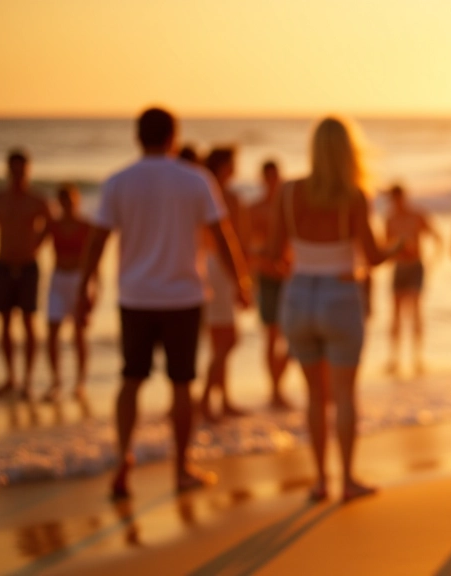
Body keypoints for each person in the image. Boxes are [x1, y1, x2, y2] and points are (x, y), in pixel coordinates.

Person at [75, 107, 251, 498]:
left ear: (137, 137)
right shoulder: (196, 180)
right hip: (183, 296)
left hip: (135, 297)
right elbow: (222, 235)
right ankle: (182, 468)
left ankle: (124, 459)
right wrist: (240, 281)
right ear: (174, 136)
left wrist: (84, 288)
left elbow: (97, 241)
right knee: (182, 385)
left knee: (130, 380)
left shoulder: (118, 181)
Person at [266, 117, 398, 502]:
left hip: (298, 294)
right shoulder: (354, 196)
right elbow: (372, 258)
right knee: (343, 395)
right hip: (340, 295)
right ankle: (348, 480)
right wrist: (397, 246)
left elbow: (275, 254)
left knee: (313, 396)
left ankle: (321, 480)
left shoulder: (288, 192)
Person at [199, 147, 252, 421]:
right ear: (223, 167)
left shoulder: (200, 191)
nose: (236, 169)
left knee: (219, 340)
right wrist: (242, 279)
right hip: (223, 268)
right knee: (228, 339)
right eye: (233, 164)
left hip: (205, 265)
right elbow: (235, 244)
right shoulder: (228, 197)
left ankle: (222, 399)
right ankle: (207, 399)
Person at [0, 149, 53, 400]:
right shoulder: (1, 198)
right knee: (5, 322)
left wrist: (36, 244)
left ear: (28, 170)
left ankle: (28, 381)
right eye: (14, 170)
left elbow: (52, 224)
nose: (18, 175)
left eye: (22, 170)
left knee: (29, 323)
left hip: (29, 266)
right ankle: (10, 377)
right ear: (8, 170)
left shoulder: (37, 199)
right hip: (4, 265)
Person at [248, 159, 292, 409]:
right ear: (263, 179)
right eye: (270, 178)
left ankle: (278, 386)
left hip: (289, 276)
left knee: (293, 338)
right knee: (271, 336)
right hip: (267, 278)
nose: (274, 182)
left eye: (277, 177)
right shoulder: (255, 209)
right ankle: (275, 390)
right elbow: (251, 249)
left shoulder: (289, 206)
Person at [43, 183, 93, 402]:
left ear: (77, 201)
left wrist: (94, 286)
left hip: (78, 280)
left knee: (79, 333)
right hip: (57, 279)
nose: (67, 206)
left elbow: (94, 257)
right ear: (58, 203)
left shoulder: (86, 225)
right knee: (52, 331)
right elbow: (32, 244)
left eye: (71, 201)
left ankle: (80, 382)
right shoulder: (52, 225)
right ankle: (56, 381)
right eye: (63, 201)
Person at [384, 184, 440, 374]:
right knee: (396, 314)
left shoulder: (417, 215)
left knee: (416, 311)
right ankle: (394, 359)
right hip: (400, 267)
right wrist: (398, 251)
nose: (396, 203)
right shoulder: (389, 219)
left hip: (416, 266)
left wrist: (431, 262)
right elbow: (384, 247)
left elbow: (437, 237)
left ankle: (418, 359)